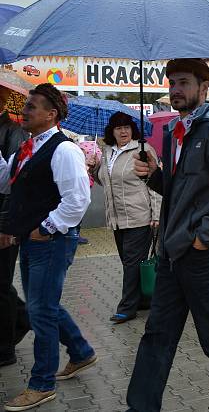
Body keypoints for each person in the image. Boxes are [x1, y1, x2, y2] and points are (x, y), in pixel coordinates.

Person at [127, 59, 209, 412]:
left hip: (204, 256)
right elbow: (184, 193)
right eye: (172, 83)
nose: (175, 89)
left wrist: (203, 236)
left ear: (204, 87)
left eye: (183, 82)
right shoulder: (176, 132)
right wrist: (154, 176)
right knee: (156, 337)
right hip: (171, 256)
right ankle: (140, 407)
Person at [0, 84, 96, 411]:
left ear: (50, 114)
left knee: (41, 310)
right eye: (25, 106)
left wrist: (47, 227)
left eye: (31, 107)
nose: (24, 111)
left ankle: (42, 383)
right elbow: (5, 178)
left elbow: (78, 199)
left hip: (50, 241)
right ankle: (81, 352)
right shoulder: (29, 148)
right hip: (34, 239)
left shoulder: (63, 149)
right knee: (45, 306)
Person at [94, 112, 161, 324]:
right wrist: (93, 170)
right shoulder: (107, 152)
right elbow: (107, 182)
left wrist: (157, 214)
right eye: (118, 128)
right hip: (116, 218)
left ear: (132, 130)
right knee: (128, 261)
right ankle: (143, 299)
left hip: (139, 216)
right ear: (111, 132)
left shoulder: (142, 150)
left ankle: (126, 308)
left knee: (132, 263)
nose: (123, 131)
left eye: (127, 127)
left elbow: (155, 184)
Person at [0, 104, 29, 368]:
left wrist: (8, 226)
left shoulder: (14, 132)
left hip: (5, 220)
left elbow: (12, 181)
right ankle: (23, 319)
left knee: (1, 284)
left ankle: (5, 346)